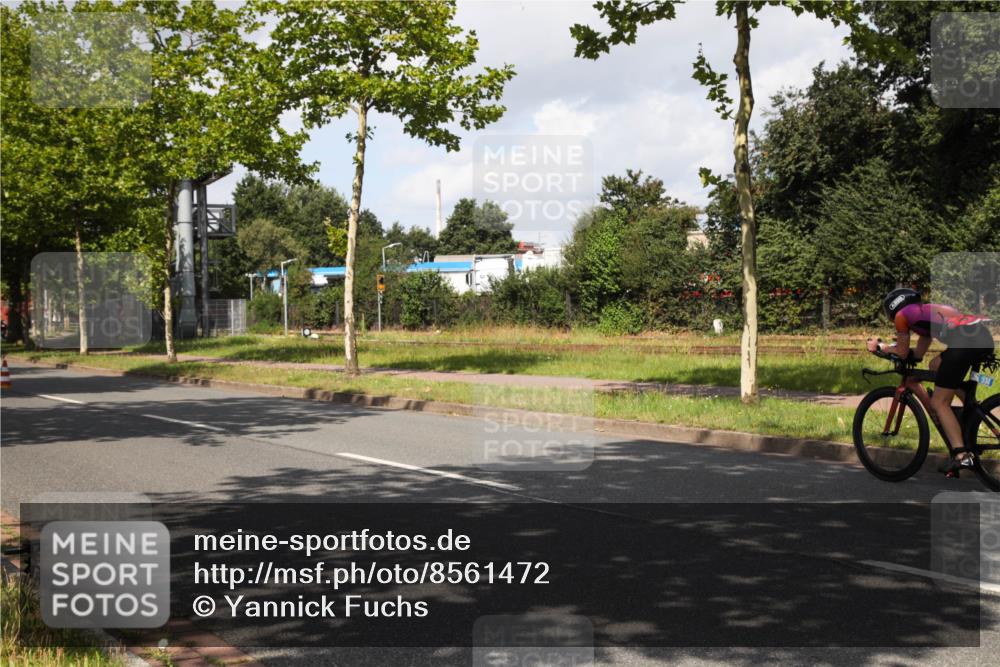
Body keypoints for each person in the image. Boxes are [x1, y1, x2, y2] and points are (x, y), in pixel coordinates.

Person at [866, 288, 995, 475]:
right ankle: (969, 403)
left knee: (938, 402)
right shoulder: (922, 316)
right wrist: (905, 355)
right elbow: (916, 355)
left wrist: (882, 347)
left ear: (893, 307)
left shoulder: (902, 315)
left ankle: (961, 456)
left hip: (964, 344)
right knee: (935, 365)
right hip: (981, 338)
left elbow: (902, 352)